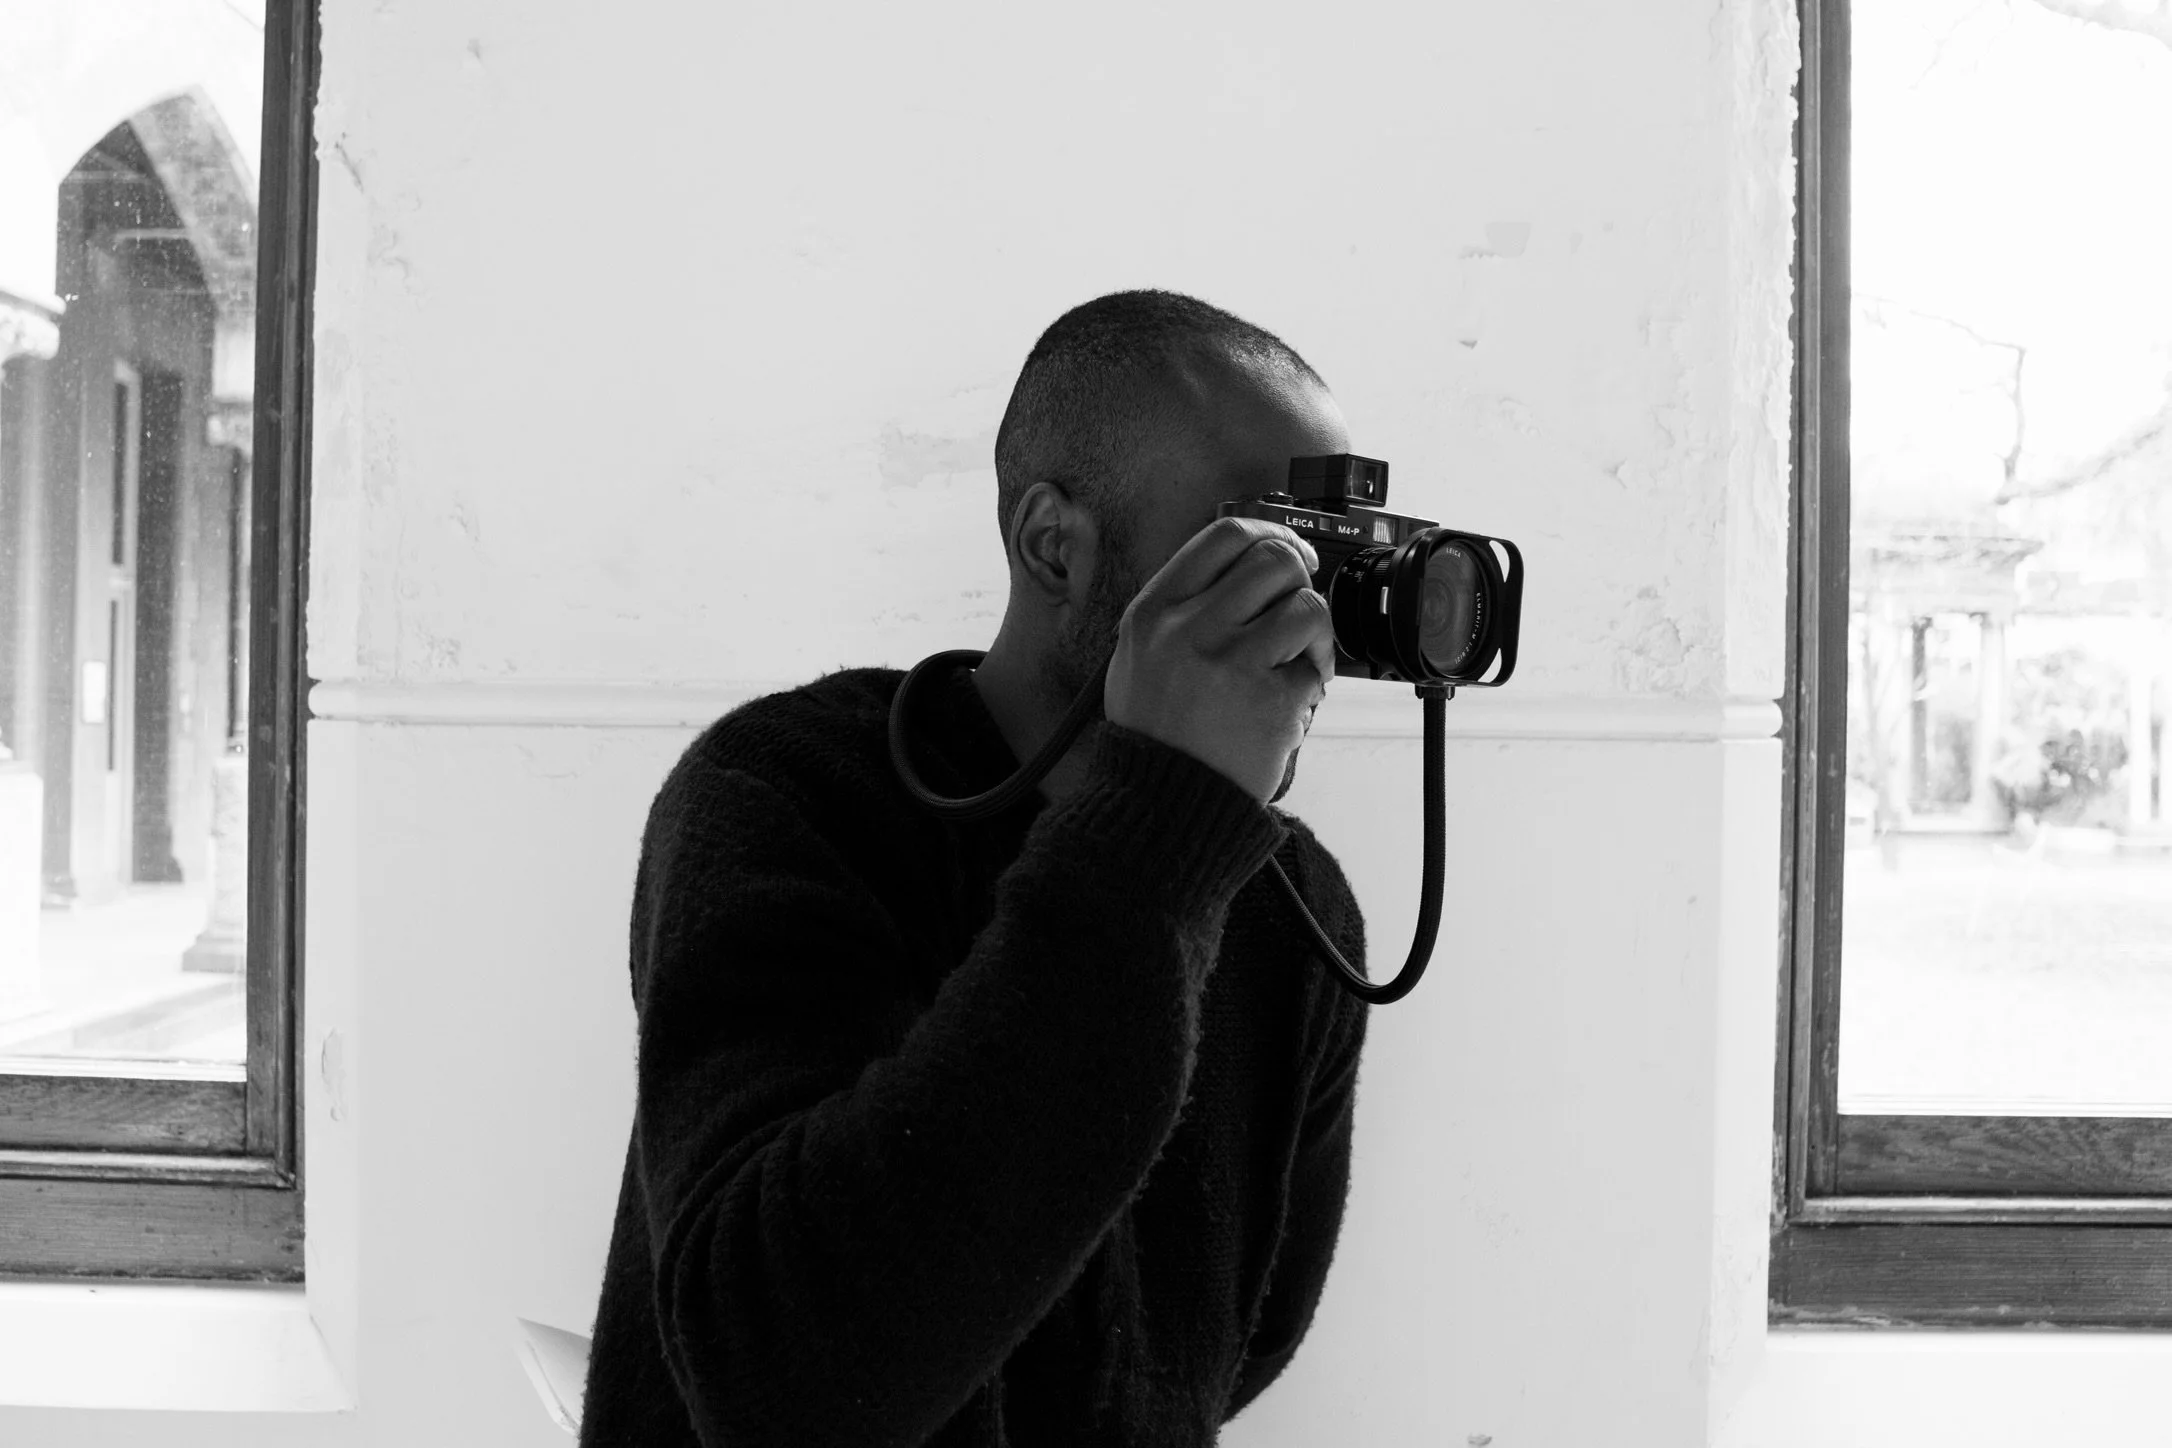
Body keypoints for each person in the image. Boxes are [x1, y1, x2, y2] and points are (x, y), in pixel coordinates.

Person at [579, 289, 1371, 1447]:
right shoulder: (784, 792)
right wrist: (1160, 825)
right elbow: (783, 1378)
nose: (1304, 610)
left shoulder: (1299, 909)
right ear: (1055, 543)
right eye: (1258, 552)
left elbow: (1228, 1344)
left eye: (1332, 556)